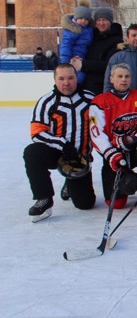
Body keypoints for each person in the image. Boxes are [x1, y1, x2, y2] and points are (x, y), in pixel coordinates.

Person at [24, 64, 96, 221]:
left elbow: (100, 128)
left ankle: (69, 181)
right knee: (32, 152)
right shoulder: (46, 102)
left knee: (85, 204)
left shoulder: (90, 99)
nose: (66, 83)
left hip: (79, 158)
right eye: (61, 79)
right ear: (55, 80)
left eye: (71, 78)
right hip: (56, 152)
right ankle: (44, 198)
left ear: (77, 78)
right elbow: (37, 132)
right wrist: (63, 144)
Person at [88, 64, 137, 209]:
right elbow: (96, 133)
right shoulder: (100, 101)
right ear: (111, 79)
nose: (124, 80)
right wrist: (111, 153)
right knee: (116, 204)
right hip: (115, 153)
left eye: (127, 76)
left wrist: (134, 139)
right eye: (119, 76)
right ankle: (131, 176)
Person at [73, 6, 124, 95]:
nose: (101, 23)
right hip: (86, 84)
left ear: (110, 22)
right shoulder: (92, 37)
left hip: (102, 86)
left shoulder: (116, 41)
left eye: (104, 20)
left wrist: (83, 64)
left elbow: (109, 65)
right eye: (98, 20)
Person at [59, 0, 94, 86]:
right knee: (77, 78)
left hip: (82, 58)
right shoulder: (73, 30)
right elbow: (66, 45)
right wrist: (66, 63)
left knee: (82, 77)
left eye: (86, 19)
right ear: (76, 18)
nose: (83, 21)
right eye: (81, 18)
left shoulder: (88, 29)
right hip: (72, 59)